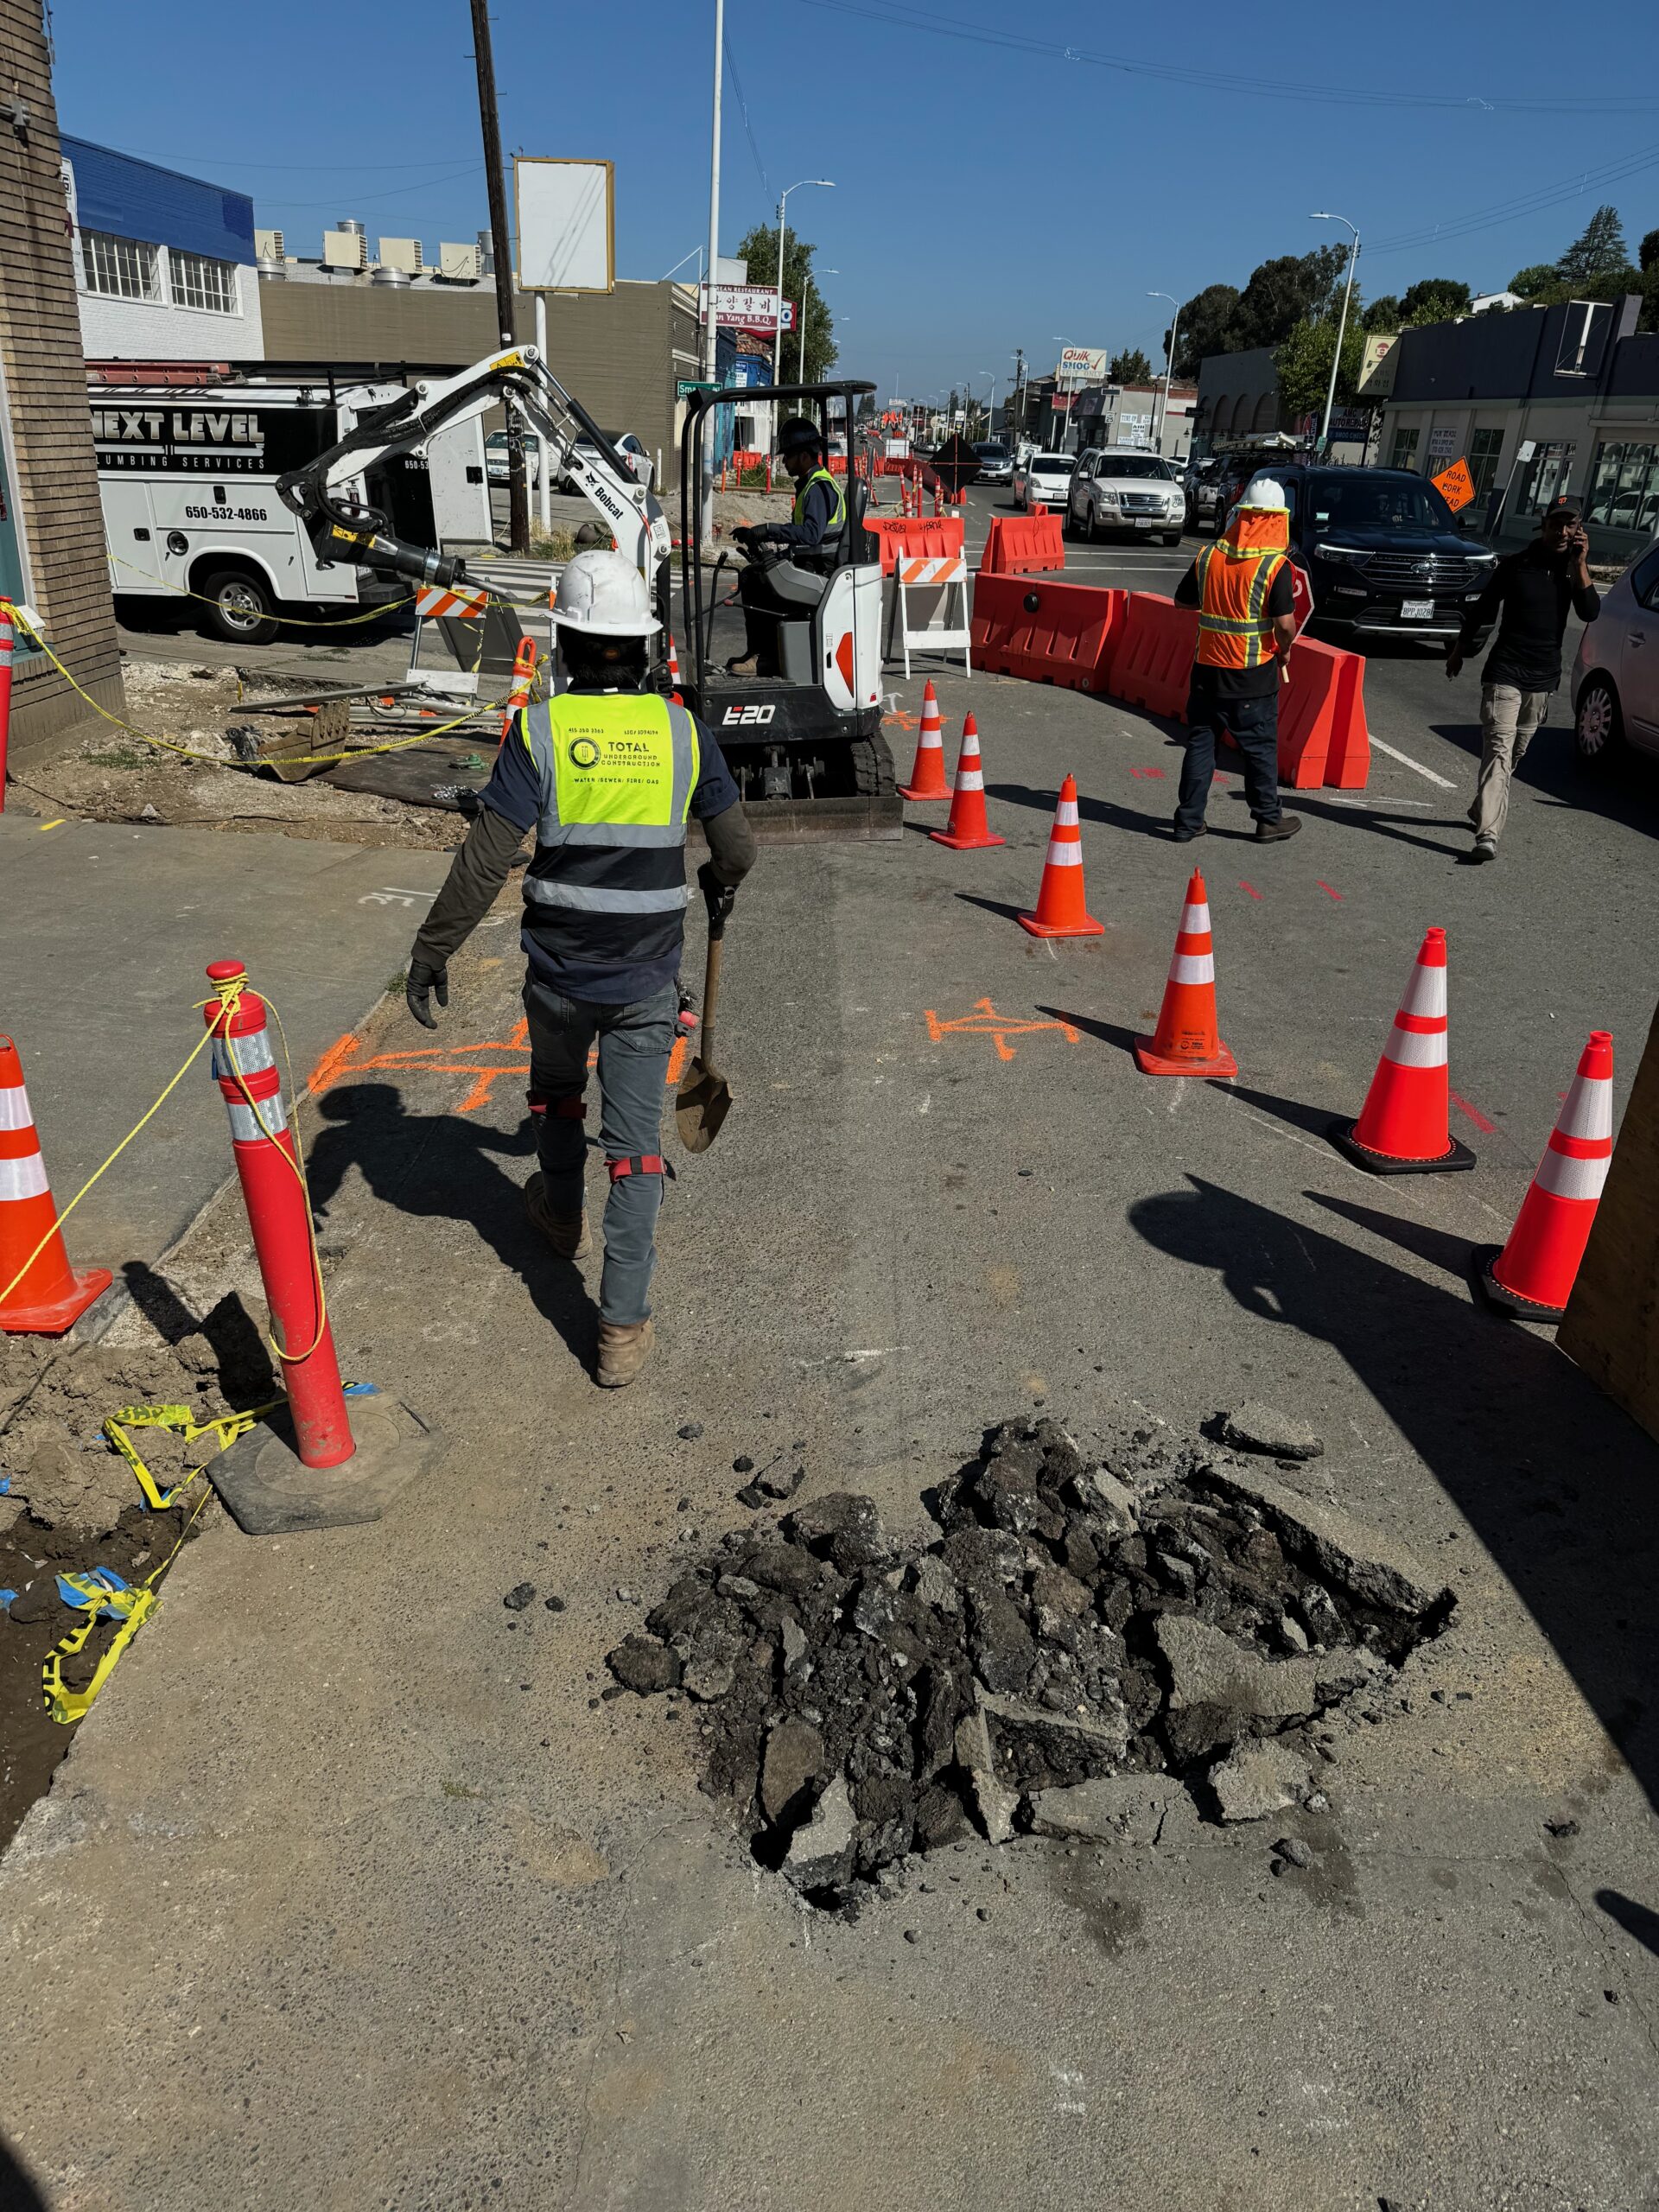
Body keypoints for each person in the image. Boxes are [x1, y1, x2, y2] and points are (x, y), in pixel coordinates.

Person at [404, 550, 756, 1389]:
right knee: (633, 1153)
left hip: (558, 980)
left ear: (563, 643)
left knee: (557, 1095)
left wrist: (433, 949)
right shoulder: (682, 731)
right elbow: (737, 849)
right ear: (643, 646)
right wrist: (719, 878)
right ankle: (621, 1329)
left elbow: (485, 859)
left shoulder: (540, 730)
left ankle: (561, 1218)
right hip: (642, 983)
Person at [1446, 500, 1600, 862]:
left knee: (1515, 752)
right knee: (1499, 750)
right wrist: (1459, 650)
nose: (1562, 532)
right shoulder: (1516, 565)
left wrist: (1580, 564)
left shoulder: (1572, 570)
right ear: (1543, 525)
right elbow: (1484, 608)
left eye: (1570, 525)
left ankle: (1482, 806)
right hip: (1505, 671)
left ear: (1579, 529)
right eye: (1556, 524)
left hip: (1543, 678)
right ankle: (1488, 835)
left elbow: (1590, 612)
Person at [1171, 476, 1302, 844]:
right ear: (1278, 520)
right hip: (1252, 676)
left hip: (1207, 671)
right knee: (1259, 750)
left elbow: (1182, 601)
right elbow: (1285, 625)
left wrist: (1219, 597)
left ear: (1241, 516)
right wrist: (1285, 649)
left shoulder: (1209, 556)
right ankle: (1267, 819)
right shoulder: (1274, 566)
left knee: (1201, 745)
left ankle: (1188, 822)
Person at [726, 416, 846, 678]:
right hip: (812, 564)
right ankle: (759, 652)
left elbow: (811, 534)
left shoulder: (819, 488)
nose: (784, 462)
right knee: (755, 575)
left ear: (804, 456)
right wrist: (757, 536)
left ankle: (766, 658)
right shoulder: (811, 484)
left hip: (820, 571)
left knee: (758, 584)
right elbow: (803, 534)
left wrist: (769, 530)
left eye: (788, 455)